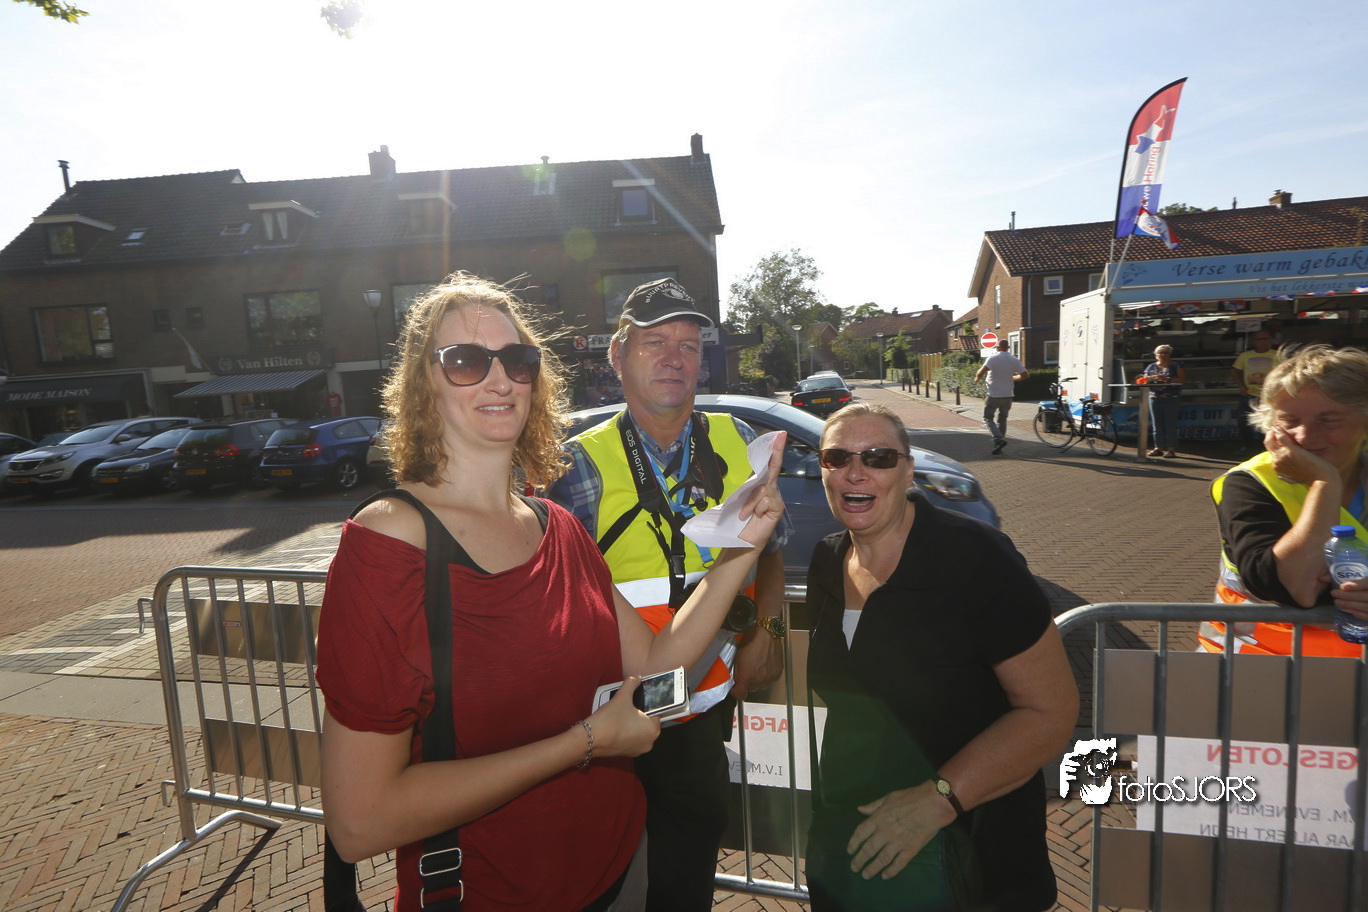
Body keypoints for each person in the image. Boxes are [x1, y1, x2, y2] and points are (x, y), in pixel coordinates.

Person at [315, 273, 786, 912]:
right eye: (466, 360)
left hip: (618, 873)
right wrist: (585, 743)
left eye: (518, 360)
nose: (500, 379)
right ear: (423, 383)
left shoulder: (554, 525)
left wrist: (741, 549)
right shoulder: (392, 542)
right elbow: (361, 822)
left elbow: (654, 666)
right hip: (494, 894)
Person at [546, 276, 789, 912]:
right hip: (609, 721)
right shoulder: (576, 465)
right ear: (617, 354)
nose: (675, 358)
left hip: (698, 716)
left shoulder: (737, 439)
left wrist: (767, 631)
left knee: (686, 882)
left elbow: (773, 549)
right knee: (603, 882)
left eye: (689, 345)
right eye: (655, 342)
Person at [804, 402, 1078, 912]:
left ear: (908, 471)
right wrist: (762, 625)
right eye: (837, 457)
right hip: (853, 846)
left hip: (969, 853)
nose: (855, 472)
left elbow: (1050, 712)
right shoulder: (828, 559)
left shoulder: (975, 557)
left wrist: (938, 799)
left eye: (879, 457)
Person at [1206, 344, 1368, 657]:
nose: (1305, 436)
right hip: (1260, 669)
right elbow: (1299, 588)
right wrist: (1324, 483)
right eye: (1289, 421)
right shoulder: (1250, 483)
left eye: (1328, 419)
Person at [1231, 330, 1283, 453]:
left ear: (1270, 340)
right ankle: (1248, 446)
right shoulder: (1245, 356)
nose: (1262, 342)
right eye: (1259, 339)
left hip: (1268, 396)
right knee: (1244, 422)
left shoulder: (1277, 355)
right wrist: (1241, 386)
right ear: (1253, 341)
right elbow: (1235, 370)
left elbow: (1284, 371)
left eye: (1265, 338)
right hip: (1249, 394)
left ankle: (1264, 448)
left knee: (1266, 423)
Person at [973, 347, 1027, 455]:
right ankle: (999, 445)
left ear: (998, 347)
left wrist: (977, 379)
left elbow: (981, 372)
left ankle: (998, 439)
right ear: (1008, 348)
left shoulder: (993, 358)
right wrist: (1012, 378)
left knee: (988, 418)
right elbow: (1025, 375)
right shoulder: (1014, 359)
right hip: (1008, 395)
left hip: (993, 395)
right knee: (1002, 420)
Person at [1136, 344, 1186, 458]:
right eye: (1160, 353)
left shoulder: (1176, 365)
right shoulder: (1151, 367)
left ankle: (1171, 448)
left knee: (1170, 423)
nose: (1163, 355)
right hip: (1155, 397)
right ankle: (1158, 447)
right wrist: (1151, 379)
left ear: (1169, 354)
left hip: (1171, 397)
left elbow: (1182, 380)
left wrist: (1167, 379)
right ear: (1156, 355)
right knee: (1156, 424)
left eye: (1165, 353)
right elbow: (1145, 380)